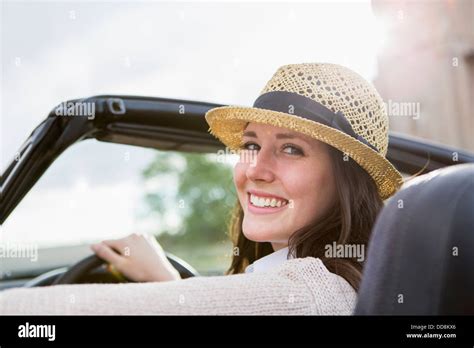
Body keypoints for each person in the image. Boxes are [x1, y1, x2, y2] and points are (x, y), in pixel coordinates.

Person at [0, 63, 403, 315]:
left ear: (347, 182)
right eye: (251, 145)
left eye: (291, 149)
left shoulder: (307, 296)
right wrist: (170, 285)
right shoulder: (346, 285)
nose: (255, 169)